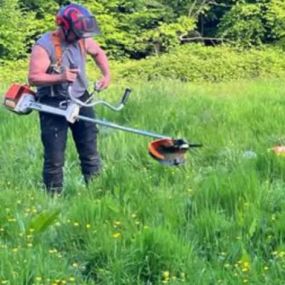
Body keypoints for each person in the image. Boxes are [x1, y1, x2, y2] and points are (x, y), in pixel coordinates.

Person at [28, 3, 111, 194]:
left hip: (82, 99)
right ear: (64, 28)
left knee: (90, 151)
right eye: (76, 33)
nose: (80, 37)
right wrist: (60, 77)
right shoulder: (44, 45)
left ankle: (96, 195)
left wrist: (106, 75)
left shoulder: (82, 39)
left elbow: (98, 53)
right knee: (55, 157)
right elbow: (33, 78)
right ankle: (53, 199)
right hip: (53, 102)